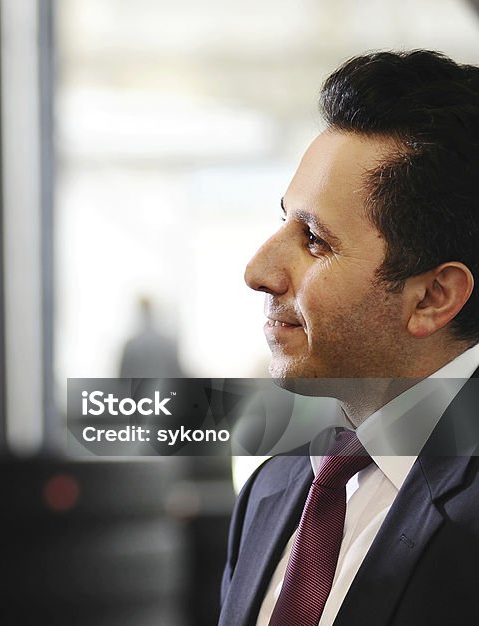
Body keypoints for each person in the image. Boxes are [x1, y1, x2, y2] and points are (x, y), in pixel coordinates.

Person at [220, 50, 479, 626]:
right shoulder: (274, 489)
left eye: (314, 240)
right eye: (283, 220)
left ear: (434, 297)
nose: (258, 269)